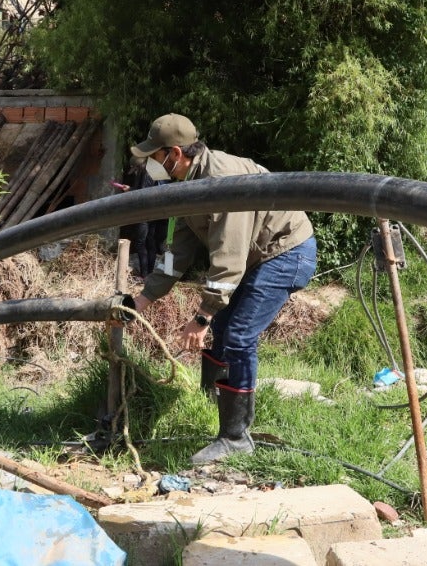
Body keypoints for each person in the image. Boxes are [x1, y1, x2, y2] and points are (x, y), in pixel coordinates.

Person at [129, 113, 318, 465]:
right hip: (256, 254)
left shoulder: (222, 180)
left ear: (173, 153)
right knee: (224, 328)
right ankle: (214, 400)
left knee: (237, 335)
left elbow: (228, 259)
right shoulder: (186, 184)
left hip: (286, 251)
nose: (149, 164)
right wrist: (143, 297)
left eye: (153, 156)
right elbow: (178, 251)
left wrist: (201, 317)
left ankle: (235, 438)